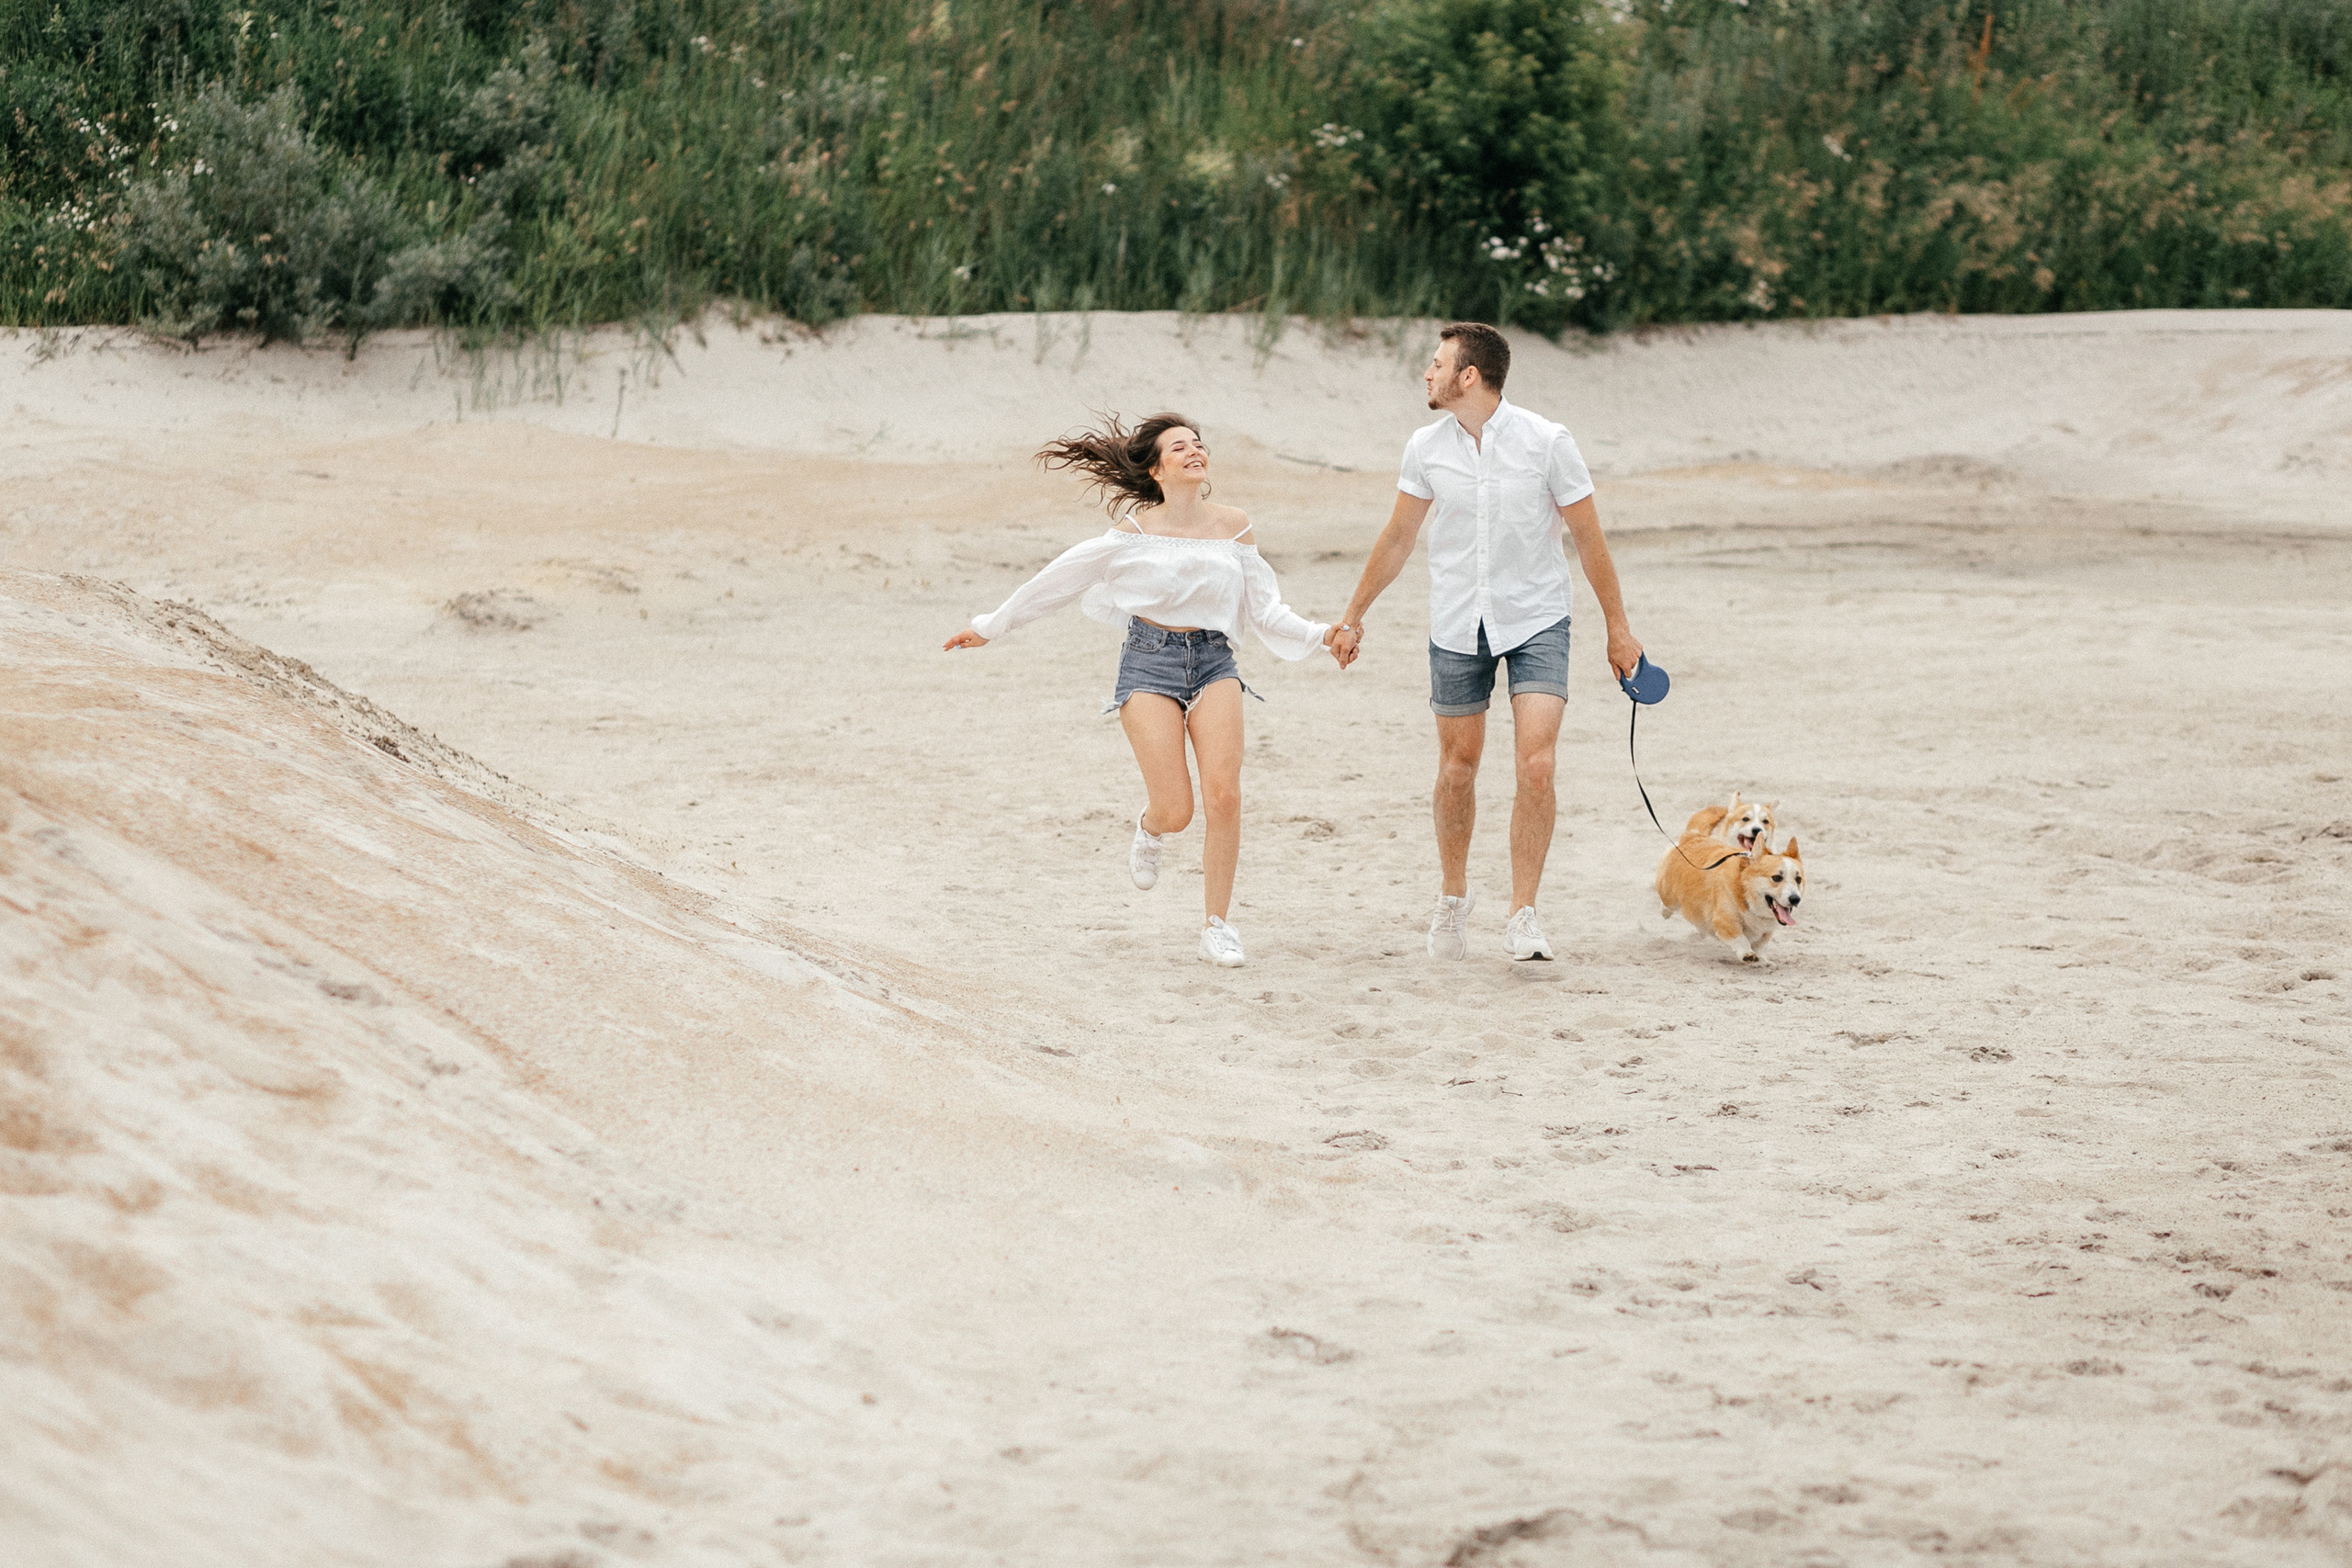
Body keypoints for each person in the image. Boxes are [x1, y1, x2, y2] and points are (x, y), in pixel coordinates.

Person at [944, 413, 1334, 966]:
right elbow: (1055, 581)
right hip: (1148, 664)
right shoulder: (1130, 535)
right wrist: (991, 626)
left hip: (1215, 663)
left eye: (1199, 444)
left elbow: (1266, 608)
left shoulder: (1234, 526)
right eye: (1180, 447)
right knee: (1177, 809)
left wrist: (1322, 636)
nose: (1195, 451)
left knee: (1224, 796)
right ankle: (1151, 828)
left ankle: (1217, 925)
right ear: (1156, 468)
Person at [1329, 322, 1645, 963]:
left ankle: (1523, 913)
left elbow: (1589, 540)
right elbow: (1397, 538)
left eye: (1437, 363)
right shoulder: (1425, 447)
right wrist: (1353, 615)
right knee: (1457, 767)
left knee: (1537, 763)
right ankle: (1453, 898)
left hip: (1537, 619)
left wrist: (1618, 627)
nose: (1428, 372)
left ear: (1467, 376)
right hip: (1456, 621)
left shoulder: (1548, 442)